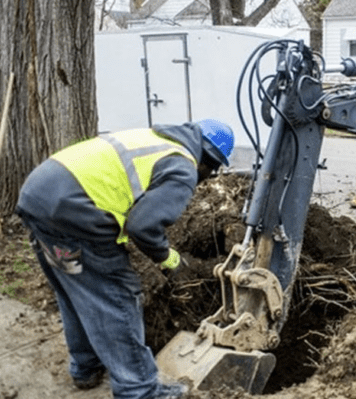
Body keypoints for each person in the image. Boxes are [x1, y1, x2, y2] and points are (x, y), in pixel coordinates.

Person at [15, 120, 235, 399]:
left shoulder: (155, 138)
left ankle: (86, 367)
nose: (207, 177)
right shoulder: (182, 167)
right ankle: (139, 389)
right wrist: (168, 258)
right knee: (116, 295)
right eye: (211, 172)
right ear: (210, 162)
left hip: (40, 199)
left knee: (78, 288)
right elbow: (143, 226)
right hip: (74, 212)